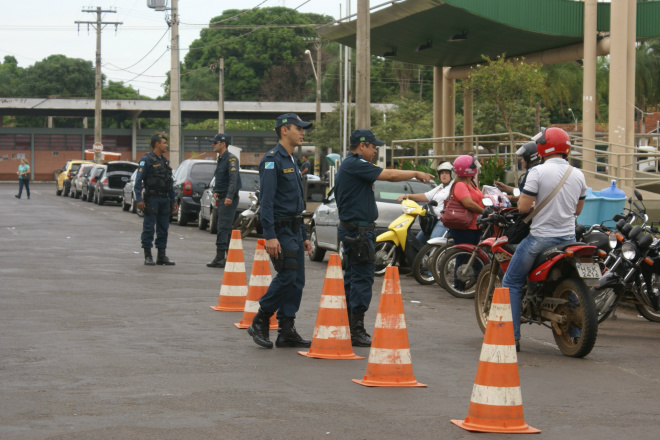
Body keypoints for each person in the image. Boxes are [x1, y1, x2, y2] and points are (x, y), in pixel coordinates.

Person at [335, 129, 434, 346]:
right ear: (362, 146)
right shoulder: (355, 164)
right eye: (373, 147)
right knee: (361, 278)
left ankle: (349, 325)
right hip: (358, 232)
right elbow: (388, 174)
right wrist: (415, 173)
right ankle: (356, 329)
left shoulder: (352, 165)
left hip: (357, 230)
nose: (374, 152)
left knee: (353, 278)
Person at [501, 127, 587, 352]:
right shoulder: (577, 174)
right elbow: (578, 209)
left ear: (543, 147)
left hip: (541, 239)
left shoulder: (537, 172)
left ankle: (512, 337)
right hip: (569, 239)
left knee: (511, 282)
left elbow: (523, 206)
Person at [248, 113, 313, 349]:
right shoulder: (271, 159)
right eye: (299, 128)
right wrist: (270, 236)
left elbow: (295, 202)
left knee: (297, 282)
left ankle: (287, 330)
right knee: (287, 277)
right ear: (284, 130)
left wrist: (304, 235)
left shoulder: (292, 160)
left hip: (295, 230)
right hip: (281, 231)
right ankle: (261, 319)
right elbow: (267, 202)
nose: (303, 132)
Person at [134, 134, 178, 266]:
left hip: (164, 199)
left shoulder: (164, 161)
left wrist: (174, 200)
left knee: (163, 228)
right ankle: (148, 255)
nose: (166, 145)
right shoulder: (146, 160)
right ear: (157, 144)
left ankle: (161, 256)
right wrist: (139, 199)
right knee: (149, 228)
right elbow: (138, 181)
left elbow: (169, 183)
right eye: (164, 143)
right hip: (152, 199)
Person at [396, 161, 454, 244]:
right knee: (418, 242)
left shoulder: (454, 187)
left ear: (452, 174)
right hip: (432, 220)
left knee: (433, 244)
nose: (444, 175)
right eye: (442, 173)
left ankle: (435, 257)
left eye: (447, 173)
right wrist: (407, 196)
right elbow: (426, 196)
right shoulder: (440, 187)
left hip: (443, 221)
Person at [206, 133, 242, 268]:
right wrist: (216, 191)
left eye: (215, 143)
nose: (213, 145)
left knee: (222, 227)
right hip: (222, 197)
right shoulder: (220, 159)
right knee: (225, 228)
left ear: (223, 144)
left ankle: (220, 257)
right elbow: (220, 179)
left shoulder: (231, 159)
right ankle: (230, 256)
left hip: (228, 199)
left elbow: (233, 179)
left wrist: (229, 196)